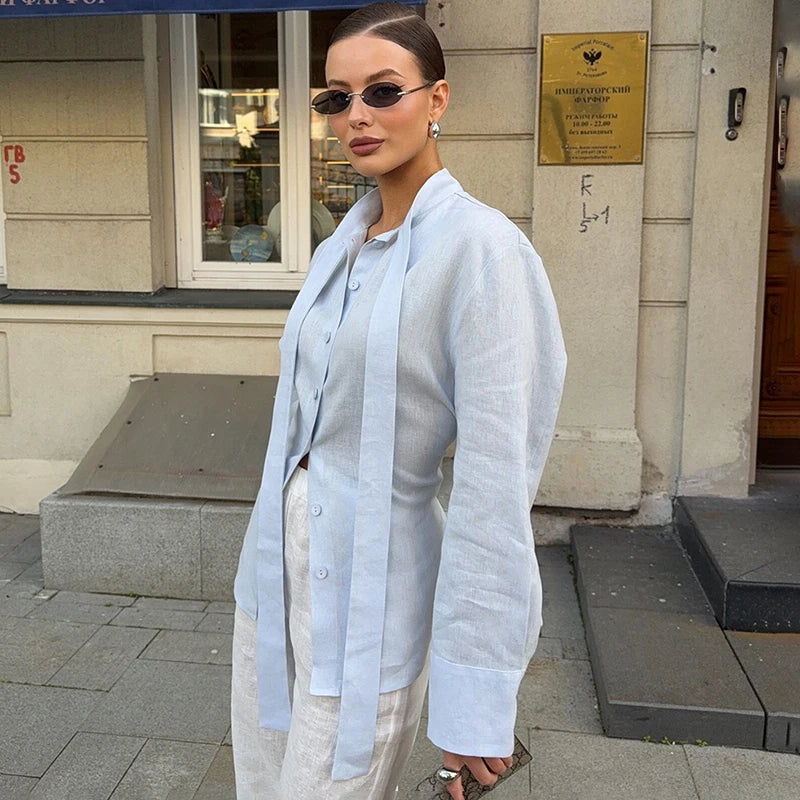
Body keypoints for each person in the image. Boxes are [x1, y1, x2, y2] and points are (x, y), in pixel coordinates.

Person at [229, 4, 567, 799]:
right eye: (335, 99)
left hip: (371, 599)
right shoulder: (339, 246)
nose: (357, 117)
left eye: (383, 92)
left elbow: (494, 485)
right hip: (273, 582)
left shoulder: (484, 253)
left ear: (437, 99)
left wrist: (475, 702)